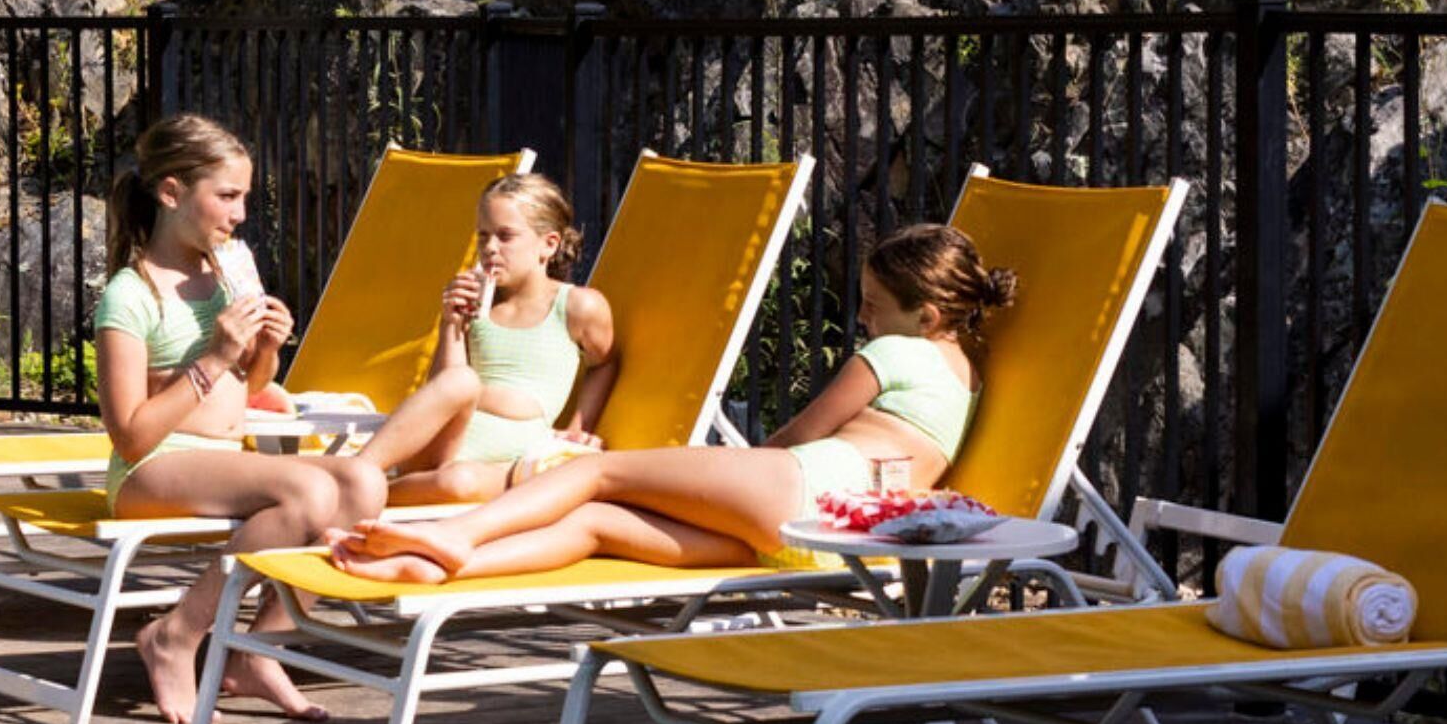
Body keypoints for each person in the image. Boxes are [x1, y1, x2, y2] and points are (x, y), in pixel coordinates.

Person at [332, 221, 1016, 586]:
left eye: (871, 307)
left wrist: (712, 477)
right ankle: (431, 567)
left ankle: (455, 534)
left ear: (926, 315)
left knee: (596, 473)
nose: (862, 319)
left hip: (803, 488)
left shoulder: (898, 353)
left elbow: (801, 437)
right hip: (832, 546)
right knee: (597, 523)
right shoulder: (969, 377)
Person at [93, 114, 372, 724]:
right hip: (151, 468)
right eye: (226, 196)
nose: (240, 213)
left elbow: (249, 389)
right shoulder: (131, 294)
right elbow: (130, 433)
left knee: (363, 485)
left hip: (219, 456)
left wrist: (266, 348)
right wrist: (215, 355)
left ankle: (261, 649)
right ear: (171, 194)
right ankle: (177, 633)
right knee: (307, 491)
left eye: (244, 196)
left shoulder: (225, 278)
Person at [342, 171, 618, 503]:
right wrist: (451, 324)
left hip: (504, 457)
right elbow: (442, 387)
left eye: (505, 236)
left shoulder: (577, 306)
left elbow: (605, 363)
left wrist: (577, 428)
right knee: (461, 383)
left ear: (549, 244)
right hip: (438, 443)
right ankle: (355, 477)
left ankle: (365, 492)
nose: (489, 248)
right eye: (483, 235)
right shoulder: (479, 304)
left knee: (457, 483)